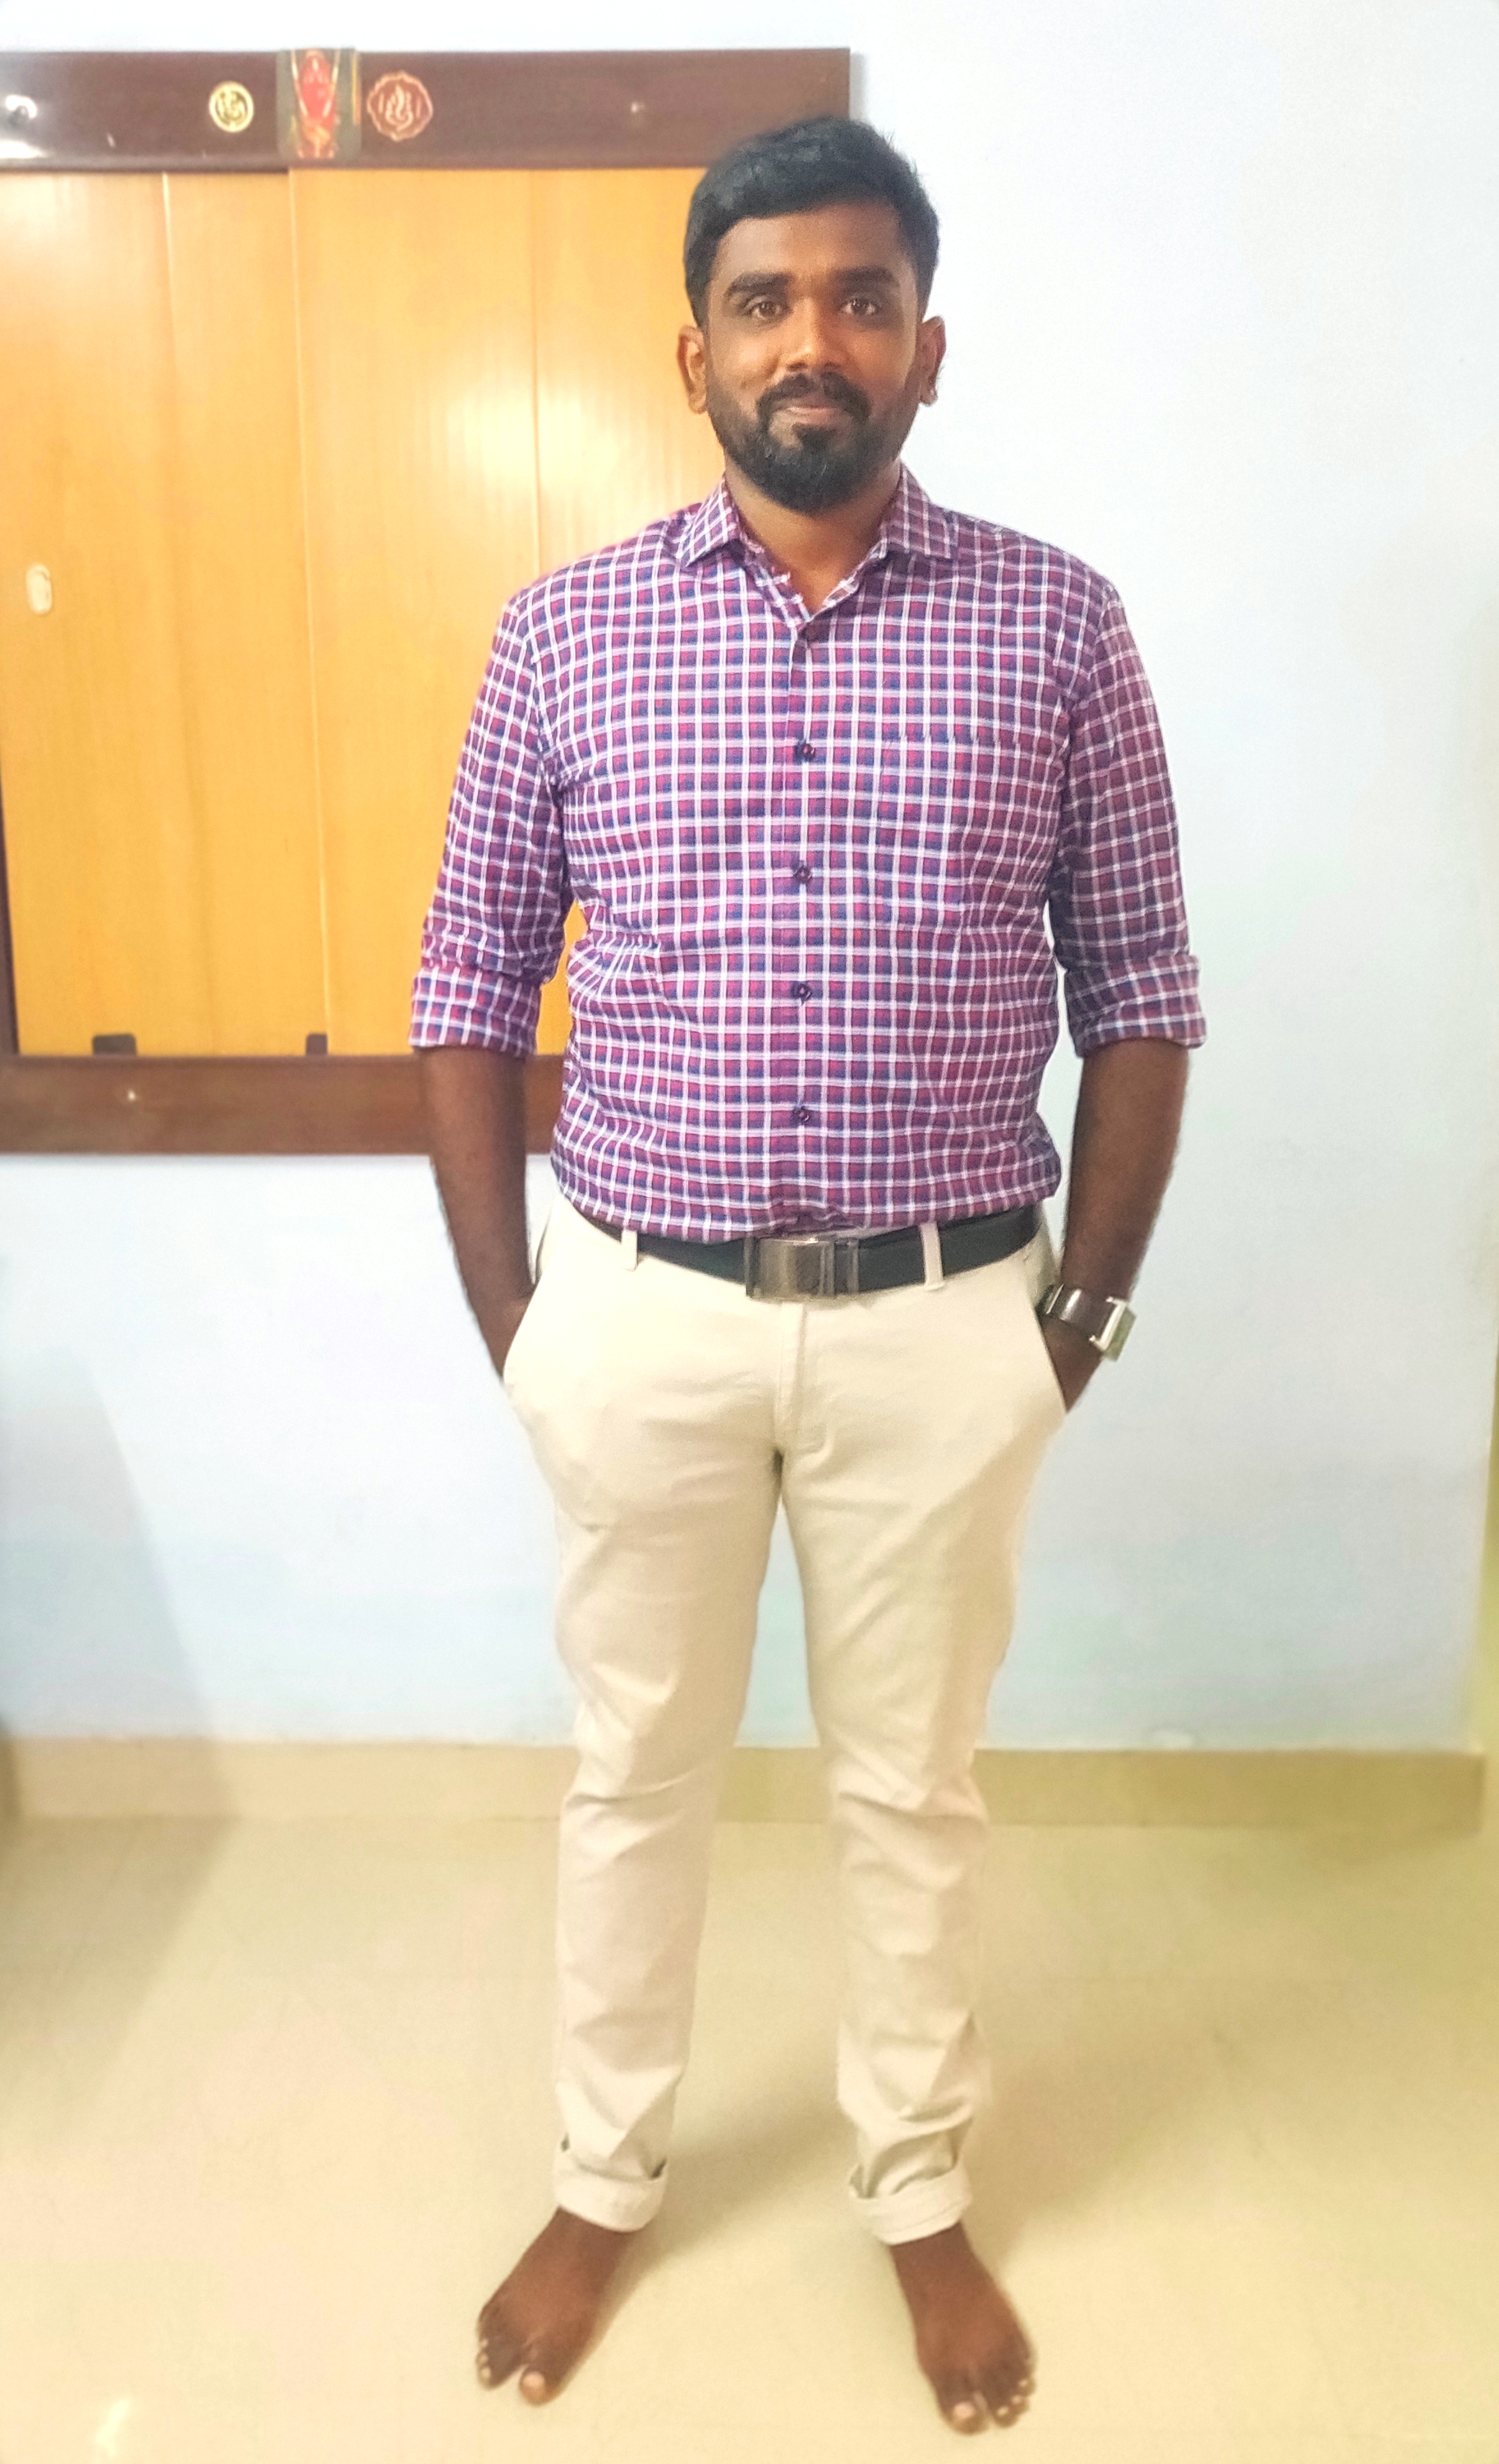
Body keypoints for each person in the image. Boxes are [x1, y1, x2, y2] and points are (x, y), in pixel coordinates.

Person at [412, 114, 1204, 2437]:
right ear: (695, 352)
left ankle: (915, 2189)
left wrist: (1075, 1319)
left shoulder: (1056, 626)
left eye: (860, 297)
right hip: (633, 1309)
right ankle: (602, 2180)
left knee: (910, 1793)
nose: (810, 340)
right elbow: (465, 988)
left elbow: (1143, 994)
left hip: (944, 1318)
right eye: (762, 301)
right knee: (631, 1776)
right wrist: (520, 1322)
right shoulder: (562, 634)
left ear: (926, 348)